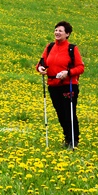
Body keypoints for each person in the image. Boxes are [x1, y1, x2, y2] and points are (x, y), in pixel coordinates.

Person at [37, 21, 85, 149]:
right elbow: (41, 63)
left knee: (69, 112)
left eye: (60, 31)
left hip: (68, 85)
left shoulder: (72, 49)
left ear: (67, 34)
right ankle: (67, 137)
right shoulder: (49, 47)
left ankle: (73, 140)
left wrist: (68, 73)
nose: (57, 33)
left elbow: (80, 67)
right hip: (53, 85)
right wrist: (40, 68)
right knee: (60, 113)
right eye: (56, 30)